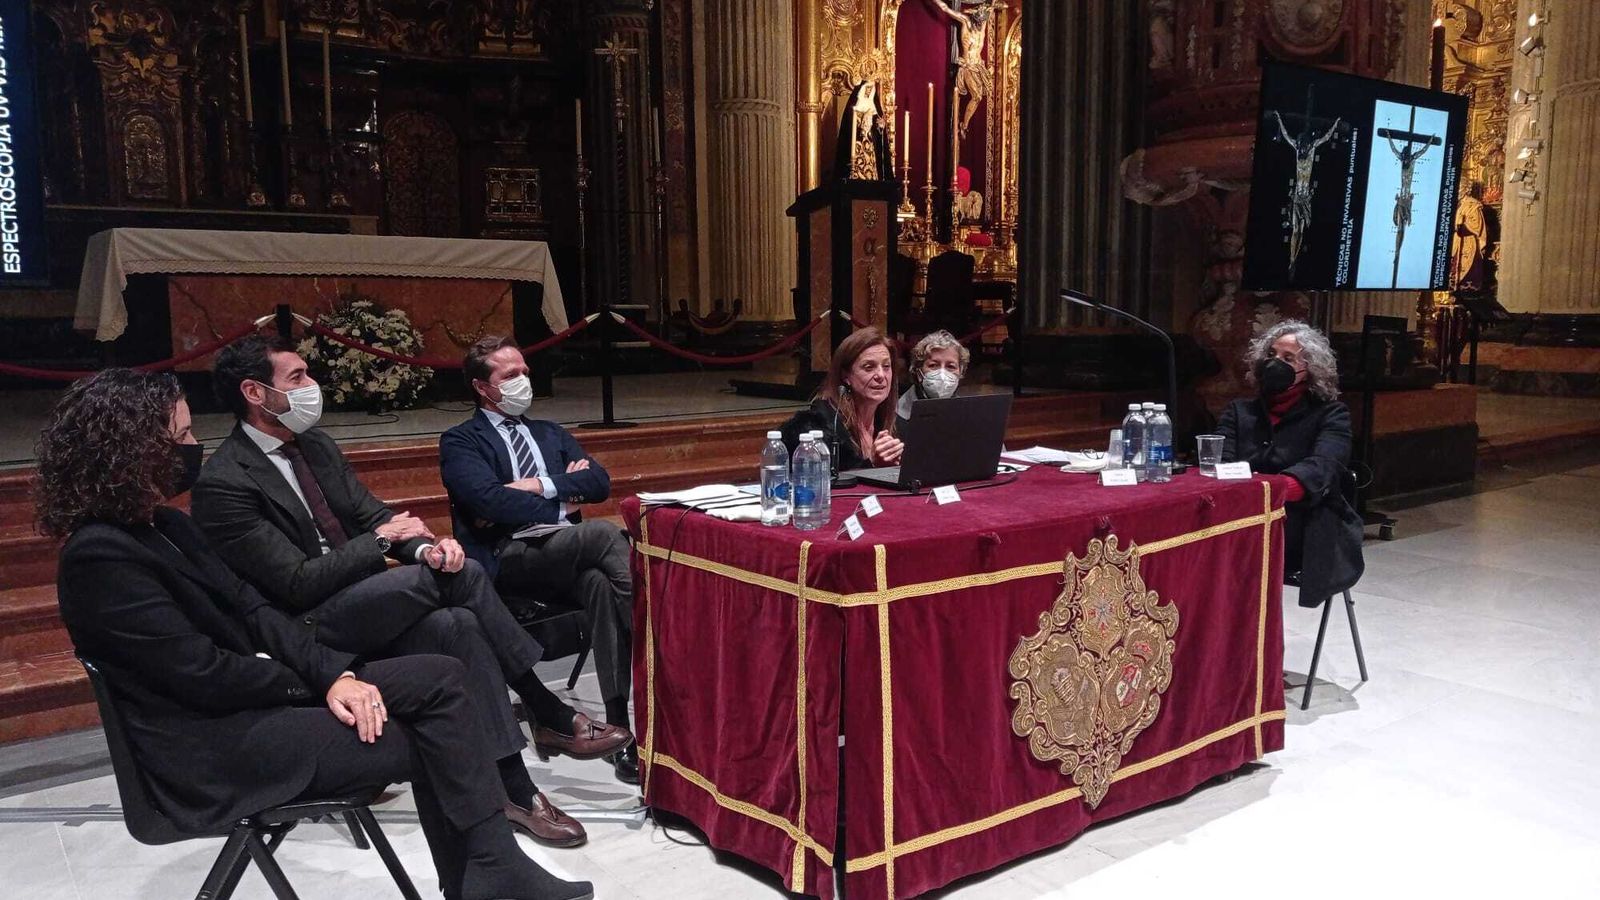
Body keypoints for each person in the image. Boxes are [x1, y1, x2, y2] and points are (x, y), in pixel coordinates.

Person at [38, 369, 593, 900]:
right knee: (434, 733)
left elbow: (254, 612)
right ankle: (488, 877)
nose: (191, 448)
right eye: (180, 436)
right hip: (209, 749)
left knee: (444, 676)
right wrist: (318, 686)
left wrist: (333, 674)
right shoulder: (100, 557)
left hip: (251, 705)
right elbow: (202, 676)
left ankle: (494, 869)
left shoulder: (168, 526)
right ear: (129, 453)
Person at [191, 335, 629, 846]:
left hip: (365, 596)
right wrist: (381, 542)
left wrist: (427, 548)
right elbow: (296, 582)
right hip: (308, 622)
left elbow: (374, 513)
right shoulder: (223, 482)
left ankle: (513, 787)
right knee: (465, 578)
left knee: (457, 623)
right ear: (255, 392)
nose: (313, 386)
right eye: (298, 378)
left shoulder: (316, 446)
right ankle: (545, 708)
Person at [439, 336, 637, 785]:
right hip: (508, 557)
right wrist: (562, 495)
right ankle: (658, 642)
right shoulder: (461, 441)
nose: (523, 380)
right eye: (510, 376)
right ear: (482, 387)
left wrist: (536, 485)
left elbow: (601, 483)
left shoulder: (550, 433)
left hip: (563, 554)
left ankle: (618, 726)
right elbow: (487, 503)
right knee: (605, 533)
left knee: (601, 584)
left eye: (525, 371)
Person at [1217, 320, 1364, 606]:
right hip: (1239, 514)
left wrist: (1268, 491)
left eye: (1288, 359)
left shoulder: (1332, 415)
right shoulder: (1239, 412)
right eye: (1270, 356)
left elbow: (1323, 467)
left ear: (1309, 369)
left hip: (1302, 519)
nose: (1275, 364)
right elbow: (1217, 464)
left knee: (1235, 551)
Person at [780, 327, 904, 470]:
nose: (881, 376)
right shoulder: (820, 427)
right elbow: (829, 482)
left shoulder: (895, 424)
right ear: (846, 376)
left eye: (886, 366)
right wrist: (872, 464)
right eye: (869, 367)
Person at [896, 330, 970, 431]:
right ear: (918, 373)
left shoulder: (968, 414)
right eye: (933, 365)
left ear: (961, 373)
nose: (942, 374)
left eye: (950, 366)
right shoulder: (896, 417)